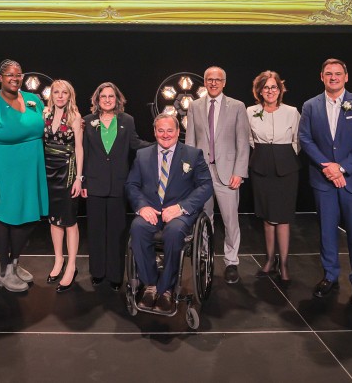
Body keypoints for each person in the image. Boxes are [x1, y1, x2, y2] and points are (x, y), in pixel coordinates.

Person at [298, 58, 352, 311]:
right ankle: (330, 276)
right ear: (321, 77)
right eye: (328, 74)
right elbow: (305, 139)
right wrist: (327, 167)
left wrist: (341, 168)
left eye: (338, 73)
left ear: (346, 76)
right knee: (327, 232)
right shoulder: (310, 106)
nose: (333, 77)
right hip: (324, 180)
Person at [126, 113, 213, 312]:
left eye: (170, 130)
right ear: (155, 132)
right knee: (137, 228)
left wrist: (181, 208)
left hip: (180, 212)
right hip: (152, 211)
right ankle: (151, 285)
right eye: (161, 130)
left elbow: (206, 185)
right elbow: (131, 185)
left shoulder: (192, 154)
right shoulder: (143, 155)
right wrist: (142, 206)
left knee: (173, 232)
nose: (165, 135)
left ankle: (167, 289)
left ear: (178, 131)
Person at [0, 59, 48, 292]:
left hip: (30, 171)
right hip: (3, 172)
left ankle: (14, 264)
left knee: (28, 220)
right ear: (0, 78)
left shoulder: (33, 100)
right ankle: (4, 269)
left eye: (18, 75)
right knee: (6, 219)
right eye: (9, 75)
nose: (15, 78)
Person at [81, 82, 150, 291]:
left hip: (119, 185)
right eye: (104, 97)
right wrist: (82, 180)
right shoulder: (87, 121)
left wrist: (161, 145)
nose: (108, 100)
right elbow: (82, 153)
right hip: (94, 184)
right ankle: (98, 273)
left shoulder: (127, 121)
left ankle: (115, 275)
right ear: (97, 100)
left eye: (111, 96)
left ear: (117, 99)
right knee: (95, 231)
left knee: (117, 232)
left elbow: (136, 144)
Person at [184, 66, 250, 284]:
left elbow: (243, 142)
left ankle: (231, 262)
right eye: (209, 79)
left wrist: (239, 172)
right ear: (204, 81)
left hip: (228, 172)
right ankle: (205, 255)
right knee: (204, 217)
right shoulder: (194, 106)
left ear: (224, 82)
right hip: (202, 172)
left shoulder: (237, 106)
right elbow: (190, 141)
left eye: (217, 79)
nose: (213, 83)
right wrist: (189, 171)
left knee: (231, 220)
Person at [246, 71, 301, 282]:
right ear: (259, 90)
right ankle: (269, 259)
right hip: (261, 166)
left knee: (283, 217)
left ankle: (284, 263)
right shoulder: (250, 111)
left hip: (286, 167)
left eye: (274, 87)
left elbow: (298, 140)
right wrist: (264, 155)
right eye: (266, 87)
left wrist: (283, 156)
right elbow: (248, 139)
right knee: (268, 217)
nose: (270, 91)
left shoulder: (291, 111)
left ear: (280, 90)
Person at [43, 80, 85, 293]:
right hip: (48, 170)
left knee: (69, 220)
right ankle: (58, 260)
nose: (60, 96)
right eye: (56, 92)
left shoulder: (75, 117)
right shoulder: (45, 114)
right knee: (54, 218)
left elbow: (79, 148)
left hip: (67, 171)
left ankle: (71, 265)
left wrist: (79, 178)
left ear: (70, 96)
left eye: (64, 93)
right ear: (52, 94)